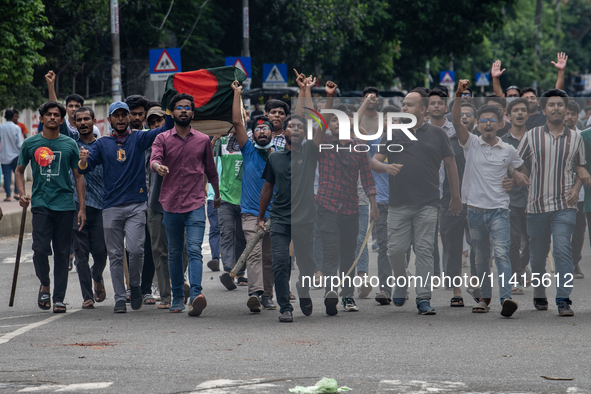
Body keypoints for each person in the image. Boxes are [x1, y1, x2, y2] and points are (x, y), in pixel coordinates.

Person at [371, 89, 462, 315]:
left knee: (424, 251)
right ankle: (401, 281)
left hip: (428, 203)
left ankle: (423, 297)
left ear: (423, 110)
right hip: (398, 203)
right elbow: (374, 161)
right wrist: (385, 167)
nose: (404, 108)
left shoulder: (438, 134)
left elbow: (451, 166)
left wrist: (456, 197)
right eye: (403, 104)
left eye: (409, 105)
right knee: (395, 251)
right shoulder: (393, 133)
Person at [78, 101, 173, 313]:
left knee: (136, 249)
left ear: (129, 118)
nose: (121, 119)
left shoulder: (139, 138)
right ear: (109, 119)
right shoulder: (102, 144)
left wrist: (170, 104)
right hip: (111, 206)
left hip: (137, 204)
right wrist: (83, 161)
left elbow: (166, 128)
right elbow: (85, 168)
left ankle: (136, 285)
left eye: (124, 115)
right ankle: (120, 297)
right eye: (116, 116)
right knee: (115, 254)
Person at [257, 78, 334, 322]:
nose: (297, 129)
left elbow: (321, 125)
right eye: (292, 127)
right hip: (280, 218)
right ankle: (285, 308)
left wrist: (326, 96)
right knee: (280, 263)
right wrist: (261, 216)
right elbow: (267, 188)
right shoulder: (275, 158)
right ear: (285, 132)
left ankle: (303, 289)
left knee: (307, 265)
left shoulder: (311, 151)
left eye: (301, 127)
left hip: (305, 218)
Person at [454, 80, 528, 317]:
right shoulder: (471, 143)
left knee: (502, 254)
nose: (487, 124)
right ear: (477, 124)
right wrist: (457, 95)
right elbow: (456, 120)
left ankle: (506, 298)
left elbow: (524, 173)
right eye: (483, 120)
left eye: (491, 120)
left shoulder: (508, 150)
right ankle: (485, 298)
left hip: (499, 210)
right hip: (475, 211)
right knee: (481, 258)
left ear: (499, 123)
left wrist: (514, 177)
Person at [517, 89, 590, 316]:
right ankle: (539, 292)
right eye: (551, 105)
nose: (556, 108)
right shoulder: (531, 136)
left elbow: (581, 168)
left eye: (560, 105)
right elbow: (515, 161)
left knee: (562, 249)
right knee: (537, 256)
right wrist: (518, 174)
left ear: (565, 108)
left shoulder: (576, 138)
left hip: (565, 204)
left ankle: (563, 299)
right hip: (536, 205)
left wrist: (577, 189)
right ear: (544, 109)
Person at [151, 93, 220, 316]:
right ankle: (178, 297)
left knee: (194, 250)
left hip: (196, 203)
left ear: (192, 113)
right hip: (169, 204)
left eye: (187, 108)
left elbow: (211, 171)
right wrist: (157, 167)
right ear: (173, 113)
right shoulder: (162, 138)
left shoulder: (202, 140)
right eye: (179, 107)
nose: (183, 111)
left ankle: (197, 295)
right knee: (174, 252)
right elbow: (154, 159)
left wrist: (217, 195)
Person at [15, 101, 86, 313]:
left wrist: (82, 207)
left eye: (56, 115)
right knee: (39, 250)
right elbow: (19, 171)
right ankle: (45, 283)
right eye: (49, 114)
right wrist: (21, 194)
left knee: (63, 254)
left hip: (65, 205)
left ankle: (58, 298)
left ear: (62, 120)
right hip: (40, 204)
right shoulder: (30, 144)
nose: (53, 117)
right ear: (42, 119)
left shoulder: (69, 144)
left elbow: (78, 176)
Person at [316, 103, 378, 315]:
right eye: (334, 119)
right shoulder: (322, 142)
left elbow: (368, 178)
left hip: (351, 208)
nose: (338, 123)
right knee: (331, 251)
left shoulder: (360, 147)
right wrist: (330, 100)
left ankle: (348, 296)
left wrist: (373, 206)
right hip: (326, 206)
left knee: (348, 254)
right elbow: (317, 124)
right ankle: (330, 292)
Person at [231, 81, 277, 312]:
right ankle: (256, 293)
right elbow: (237, 122)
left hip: (275, 215)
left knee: (269, 257)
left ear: (271, 132)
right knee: (255, 252)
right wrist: (237, 94)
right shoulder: (247, 149)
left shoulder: (279, 156)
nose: (261, 131)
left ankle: (268, 295)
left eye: (265, 128)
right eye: (257, 129)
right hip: (250, 213)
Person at [70, 107, 107, 309]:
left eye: (87, 119)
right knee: (81, 254)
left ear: (94, 120)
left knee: (101, 251)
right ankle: (87, 296)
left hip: (102, 205)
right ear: (74, 123)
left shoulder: (103, 145)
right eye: (79, 120)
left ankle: (97, 275)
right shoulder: (71, 145)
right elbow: (55, 112)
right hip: (77, 205)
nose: (83, 123)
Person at [125, 94, 156, 305]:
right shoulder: (118, 138)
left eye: (140, 114)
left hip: (150, 198)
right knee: (130, 247)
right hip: (124, 200)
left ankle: (146, 289)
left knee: (149, 246)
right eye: (133, 114)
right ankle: (130, 287)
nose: (136, 118)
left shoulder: (151, 137)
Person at [500, 98, 531, 295]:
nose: (520, 113)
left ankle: (521, 265)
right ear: (508, 116)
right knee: (511, 241)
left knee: (534, 240)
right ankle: (515, 277)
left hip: (535, 197)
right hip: (510, 198)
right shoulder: (502, 141)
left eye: (523, 110)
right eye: (516, 110)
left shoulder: (536, 138)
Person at [145, 105, 173, 308]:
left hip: (181, 205)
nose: (156, 125)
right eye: (152, 122)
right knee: (159, 250)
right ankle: (166, 295)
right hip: (154, 204)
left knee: (184, 250)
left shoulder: (181, 140)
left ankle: (177, 284)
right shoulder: (147, 146)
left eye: (160, 121)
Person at [565, 99, 587, 280]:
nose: (569, 117)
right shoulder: (553, 137)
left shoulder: (582, 137)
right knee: (562, 229)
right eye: (566, 113)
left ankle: (574, 262)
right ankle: (564, 262)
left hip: (580, 194)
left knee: (579, 230)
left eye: (573, 114)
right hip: (559, 192)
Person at [45, 71, 101, 138]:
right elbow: (55, 107)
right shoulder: (64, 128)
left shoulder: (94, 130)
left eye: (77, 106)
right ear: (66, 108)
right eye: (71, 106)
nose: (74, 109)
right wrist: (50, 85)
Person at [1, 109, 23, 201]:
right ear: (13, 116)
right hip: (15, 155)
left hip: (4, 155)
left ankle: (8, 195)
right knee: (17, 174)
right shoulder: (17, 128)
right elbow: (19, 144)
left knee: (6, 176)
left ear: (5, 117)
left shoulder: (1, 127)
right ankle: (16, 193)